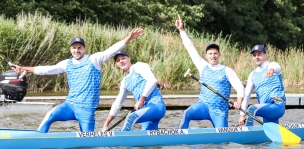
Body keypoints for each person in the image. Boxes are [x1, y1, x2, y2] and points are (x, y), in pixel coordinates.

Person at [12, 28, 144, 133]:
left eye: (79, 47)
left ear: (84, 49)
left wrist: (128, 39)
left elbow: (111, 51)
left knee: (87, 147)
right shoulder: (66, 63)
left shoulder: (94, 59)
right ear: (70, 49)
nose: (77, 50)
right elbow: (47, 69)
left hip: (87, 110)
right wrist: (24, 68)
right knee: (50, 114)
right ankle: (38, 138)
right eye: (74, 48)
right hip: (70, 105)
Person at [175, 14, 244, 128]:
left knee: (222, 143)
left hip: (219, 111)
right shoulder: (202, 66)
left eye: (215, 53)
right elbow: (190, 48)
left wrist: (238, 102)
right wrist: (181, 30)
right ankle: (180, 136)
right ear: (206, 56)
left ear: (219, 55)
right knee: (187, 113)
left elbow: (240, 88)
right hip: (204, 107)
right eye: (210, 54)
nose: (213, 56)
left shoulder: (227, 71)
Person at [102, 50, 166, 131]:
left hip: (157, 106)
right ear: (117, 64)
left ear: (129, 59)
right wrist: (106, 124)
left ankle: (121, 142)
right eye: (118, 60)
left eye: (123, 58)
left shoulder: (138, 66)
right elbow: (117, 103)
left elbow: (152, 81)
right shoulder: (125, 82)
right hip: (146, 111)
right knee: (147, 141)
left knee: (131, 117)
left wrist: (141, 100)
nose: (121, 61)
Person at [238, 45, 286, 126]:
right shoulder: (252, 75)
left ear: (265, 55)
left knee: (252, 109)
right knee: (271, 133)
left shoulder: (272, 65)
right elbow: (246, 96)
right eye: (254, 55)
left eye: (259, 54)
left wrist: (271, 70)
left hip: (278, 105)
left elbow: (276, 67)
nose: (256, 57)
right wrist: (242, 115)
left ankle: (248, 134)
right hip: (266, 107)